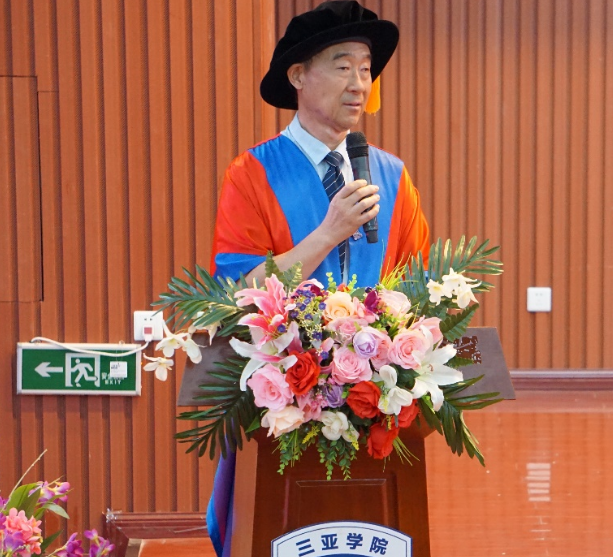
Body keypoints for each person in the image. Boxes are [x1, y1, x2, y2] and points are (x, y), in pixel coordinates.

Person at [205, 2, 430, 555]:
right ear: (298, 76)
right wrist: (328, 233)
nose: (359, 84)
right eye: (342, 66)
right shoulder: (253, 174)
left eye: (366, 69)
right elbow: (236, 293)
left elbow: (420, 290)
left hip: (376, 402)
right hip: (283, 402)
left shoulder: (392, 175)